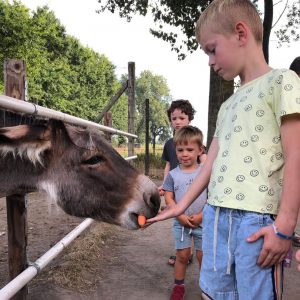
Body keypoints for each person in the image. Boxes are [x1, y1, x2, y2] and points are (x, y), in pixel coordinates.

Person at [148, 0, 300, 299]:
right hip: (215, 215)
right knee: (213, 293)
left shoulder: (283, 81)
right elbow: (209, 165)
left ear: (240, 34)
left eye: (211, 49)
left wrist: (284, 225)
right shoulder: (227, 105)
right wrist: (179, 206)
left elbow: (296, 153)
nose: (209, 61)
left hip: (255, 221)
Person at [164, 125, 207, 300]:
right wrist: (179, 215)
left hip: (203, 222)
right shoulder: (173, 175)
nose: (184, 154)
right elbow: (168, 198)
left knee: (203, 256)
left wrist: (202, 215)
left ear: (200, 150)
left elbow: (212, 197)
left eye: (190, 149)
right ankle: (179, 286)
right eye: (180, 150)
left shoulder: (205, 173)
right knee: (182, 255)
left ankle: (207, 287)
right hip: (180, 223)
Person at [159, 99, 200, 266]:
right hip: (176, 184)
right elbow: (168, 164)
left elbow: (204, 162)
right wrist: (164, 184)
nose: (177, 122)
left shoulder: (195, 140)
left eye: (181, 118)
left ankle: (189, 252)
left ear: (189, 119)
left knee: (192, 214)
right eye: (174, 118)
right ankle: (183, 252)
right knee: (178, 217)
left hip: (192, 185)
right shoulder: (169, 143)